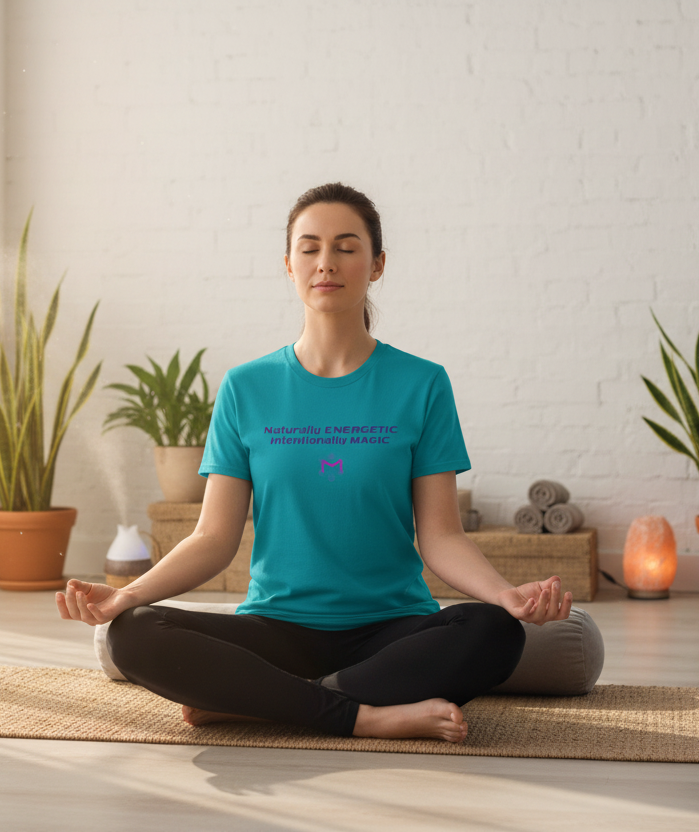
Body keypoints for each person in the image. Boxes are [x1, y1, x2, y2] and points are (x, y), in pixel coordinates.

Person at [57, 182, 573, 743]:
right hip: (276, 628)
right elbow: (213, 538)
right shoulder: (245, 388)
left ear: (376, 265)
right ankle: (361, 714)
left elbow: (442, 536)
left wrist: (503, 594)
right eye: (310, 248)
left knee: (494, 632)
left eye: (347, 247)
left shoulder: (422, 383)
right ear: (288, 265)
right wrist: (127, 595)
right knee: (132, 634)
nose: (326, 262)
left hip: (390, 629)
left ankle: (258, 701)